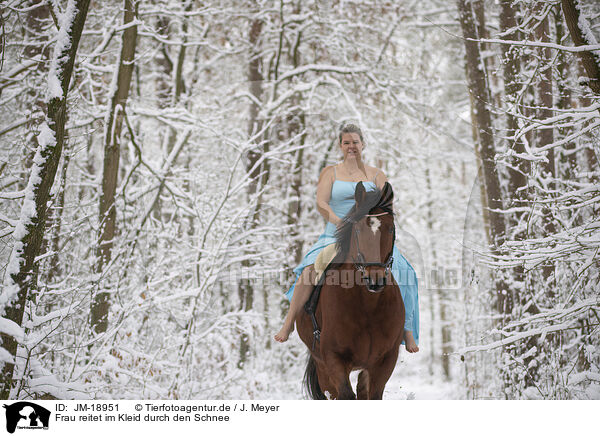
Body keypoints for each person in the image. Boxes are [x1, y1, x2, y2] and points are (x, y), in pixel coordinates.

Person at [274, 123, 419, 353]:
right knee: (311, 269)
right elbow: (321, 203)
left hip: (370, 237)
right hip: (336, 233)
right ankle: (289, 322)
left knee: (406, 270)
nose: (351, 147)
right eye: (346, 143)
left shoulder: (376, 174)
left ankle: (408, 330)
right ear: (340, 146)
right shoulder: (330, 172)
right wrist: (340, 222)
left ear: (363, 144)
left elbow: (385, 204)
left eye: (355, 142)